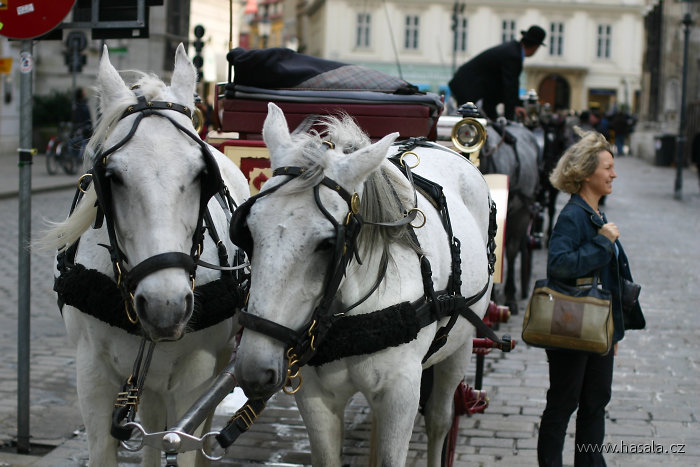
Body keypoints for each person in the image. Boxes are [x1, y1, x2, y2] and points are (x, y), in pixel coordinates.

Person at [537, 128, 645, 466]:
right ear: (586, 173)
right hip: (572, 325)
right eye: (608, 167)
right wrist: (602, 243)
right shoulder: (572, 216)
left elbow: (610, 280)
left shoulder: (596, 214)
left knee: (596, 402)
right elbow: (559, 264)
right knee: (564, 402)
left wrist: (615, 333)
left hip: (599, 328)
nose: (614, 173)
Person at [448, 25, 546, 121]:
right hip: (469, 88)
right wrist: (511, 116)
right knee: (472, 126)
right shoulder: (514, 55)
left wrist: (514, 105)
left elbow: (503, 86)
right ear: (535, 47)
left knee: (487, 122)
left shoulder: (512, 49)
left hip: (471, 87)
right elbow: (510, 85)